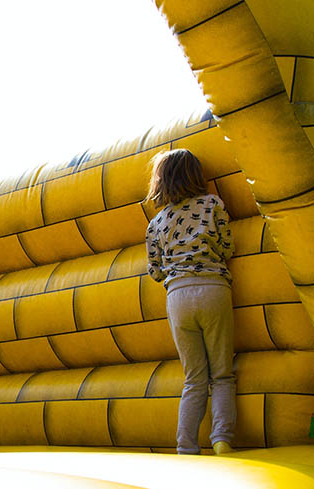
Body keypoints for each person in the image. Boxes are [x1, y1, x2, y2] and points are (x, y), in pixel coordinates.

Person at [145, 149, 236, 455]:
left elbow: (155, 271)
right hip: (213, 288)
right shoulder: (213, 204)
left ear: (161, 181)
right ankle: (222, 438)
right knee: (222, 372)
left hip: (178, 296)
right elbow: (227, 247)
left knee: (194, 377)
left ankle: (186, 447)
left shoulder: (156, 223)